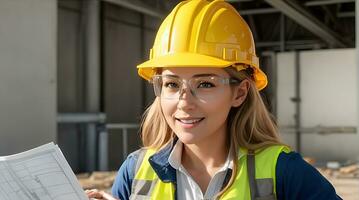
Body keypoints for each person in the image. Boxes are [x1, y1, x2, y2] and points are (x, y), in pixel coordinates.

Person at [86, 0, 342, 199]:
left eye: (205, 84)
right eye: (171, 84)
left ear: (239, 93)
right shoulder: (135, 172)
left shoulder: (284, 172)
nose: (184, 102)